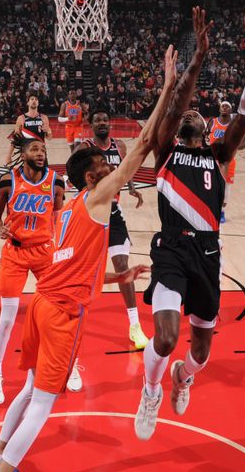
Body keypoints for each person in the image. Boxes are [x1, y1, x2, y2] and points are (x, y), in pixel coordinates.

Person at [0, 44, 178, 472]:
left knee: (29, 389)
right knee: (45, 403)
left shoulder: (70, 208)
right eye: (105, 166)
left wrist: (118, 279)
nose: (112, 166)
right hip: (62, 316)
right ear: (92, 176)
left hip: (41, 304)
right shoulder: (98, 196)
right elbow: (144, 143)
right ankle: (3, 469)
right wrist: (166, 87)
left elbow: (71, 267)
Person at [134, 7, 245, 440]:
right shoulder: (165, 148)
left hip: (207, 253)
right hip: (169, 248)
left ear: (206, 129)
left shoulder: (218, 156)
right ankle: (150, 390)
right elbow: (178, 99)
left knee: (200, 352)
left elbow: (244, 113)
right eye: (185, 114)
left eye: (196, 117)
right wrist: (199, 57)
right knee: (165, 339)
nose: (189, 116)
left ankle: (183, 376)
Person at [0, 134, 65, 406]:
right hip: (15, 252)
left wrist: (58, 240)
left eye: (43, 149)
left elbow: (58, 212)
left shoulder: (56, 181)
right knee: (8, 319)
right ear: (23, 153)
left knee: (59, 311)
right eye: (35, 148)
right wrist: (0, 229)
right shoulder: (8, 180)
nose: (41, 153)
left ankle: (71, 362)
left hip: (44, 252)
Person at [74, 110, 150, 350]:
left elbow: (125, 171)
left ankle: (135, 325)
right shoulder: (84, 148)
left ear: (110, 123)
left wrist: (132, 188)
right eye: (97, 120)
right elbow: (73, 173)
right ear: (92, 125)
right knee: (84, 270)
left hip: (114, 214)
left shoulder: (120, 146)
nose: (102, 123)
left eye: (105, 120)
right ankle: (73, 318)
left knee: (121, 266)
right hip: (92, 215)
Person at [206, 100, 245, 223]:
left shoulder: (235, 126)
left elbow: (244, 143)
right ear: (219, 109)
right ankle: (209, 210)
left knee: (226, 188)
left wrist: (231, 146)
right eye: (222, 106)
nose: (224, 108)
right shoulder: (212, 122)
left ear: (230, 110)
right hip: (212, 159)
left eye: (227, 106)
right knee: (210, 186)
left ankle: (222, 212)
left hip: (228, 160)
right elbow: (204, 138)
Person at [3, 94, 53, 166]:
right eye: (32, 99)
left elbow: (50, 138)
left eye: (36, 100)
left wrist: (48, 130)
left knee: (44, 176)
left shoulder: (44, 118)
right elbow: (15, 139)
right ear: (28, 103)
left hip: (41, 153)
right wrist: (8, 156)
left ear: (38, 103)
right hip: (27, 154)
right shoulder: (21, 118)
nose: (34, 101)